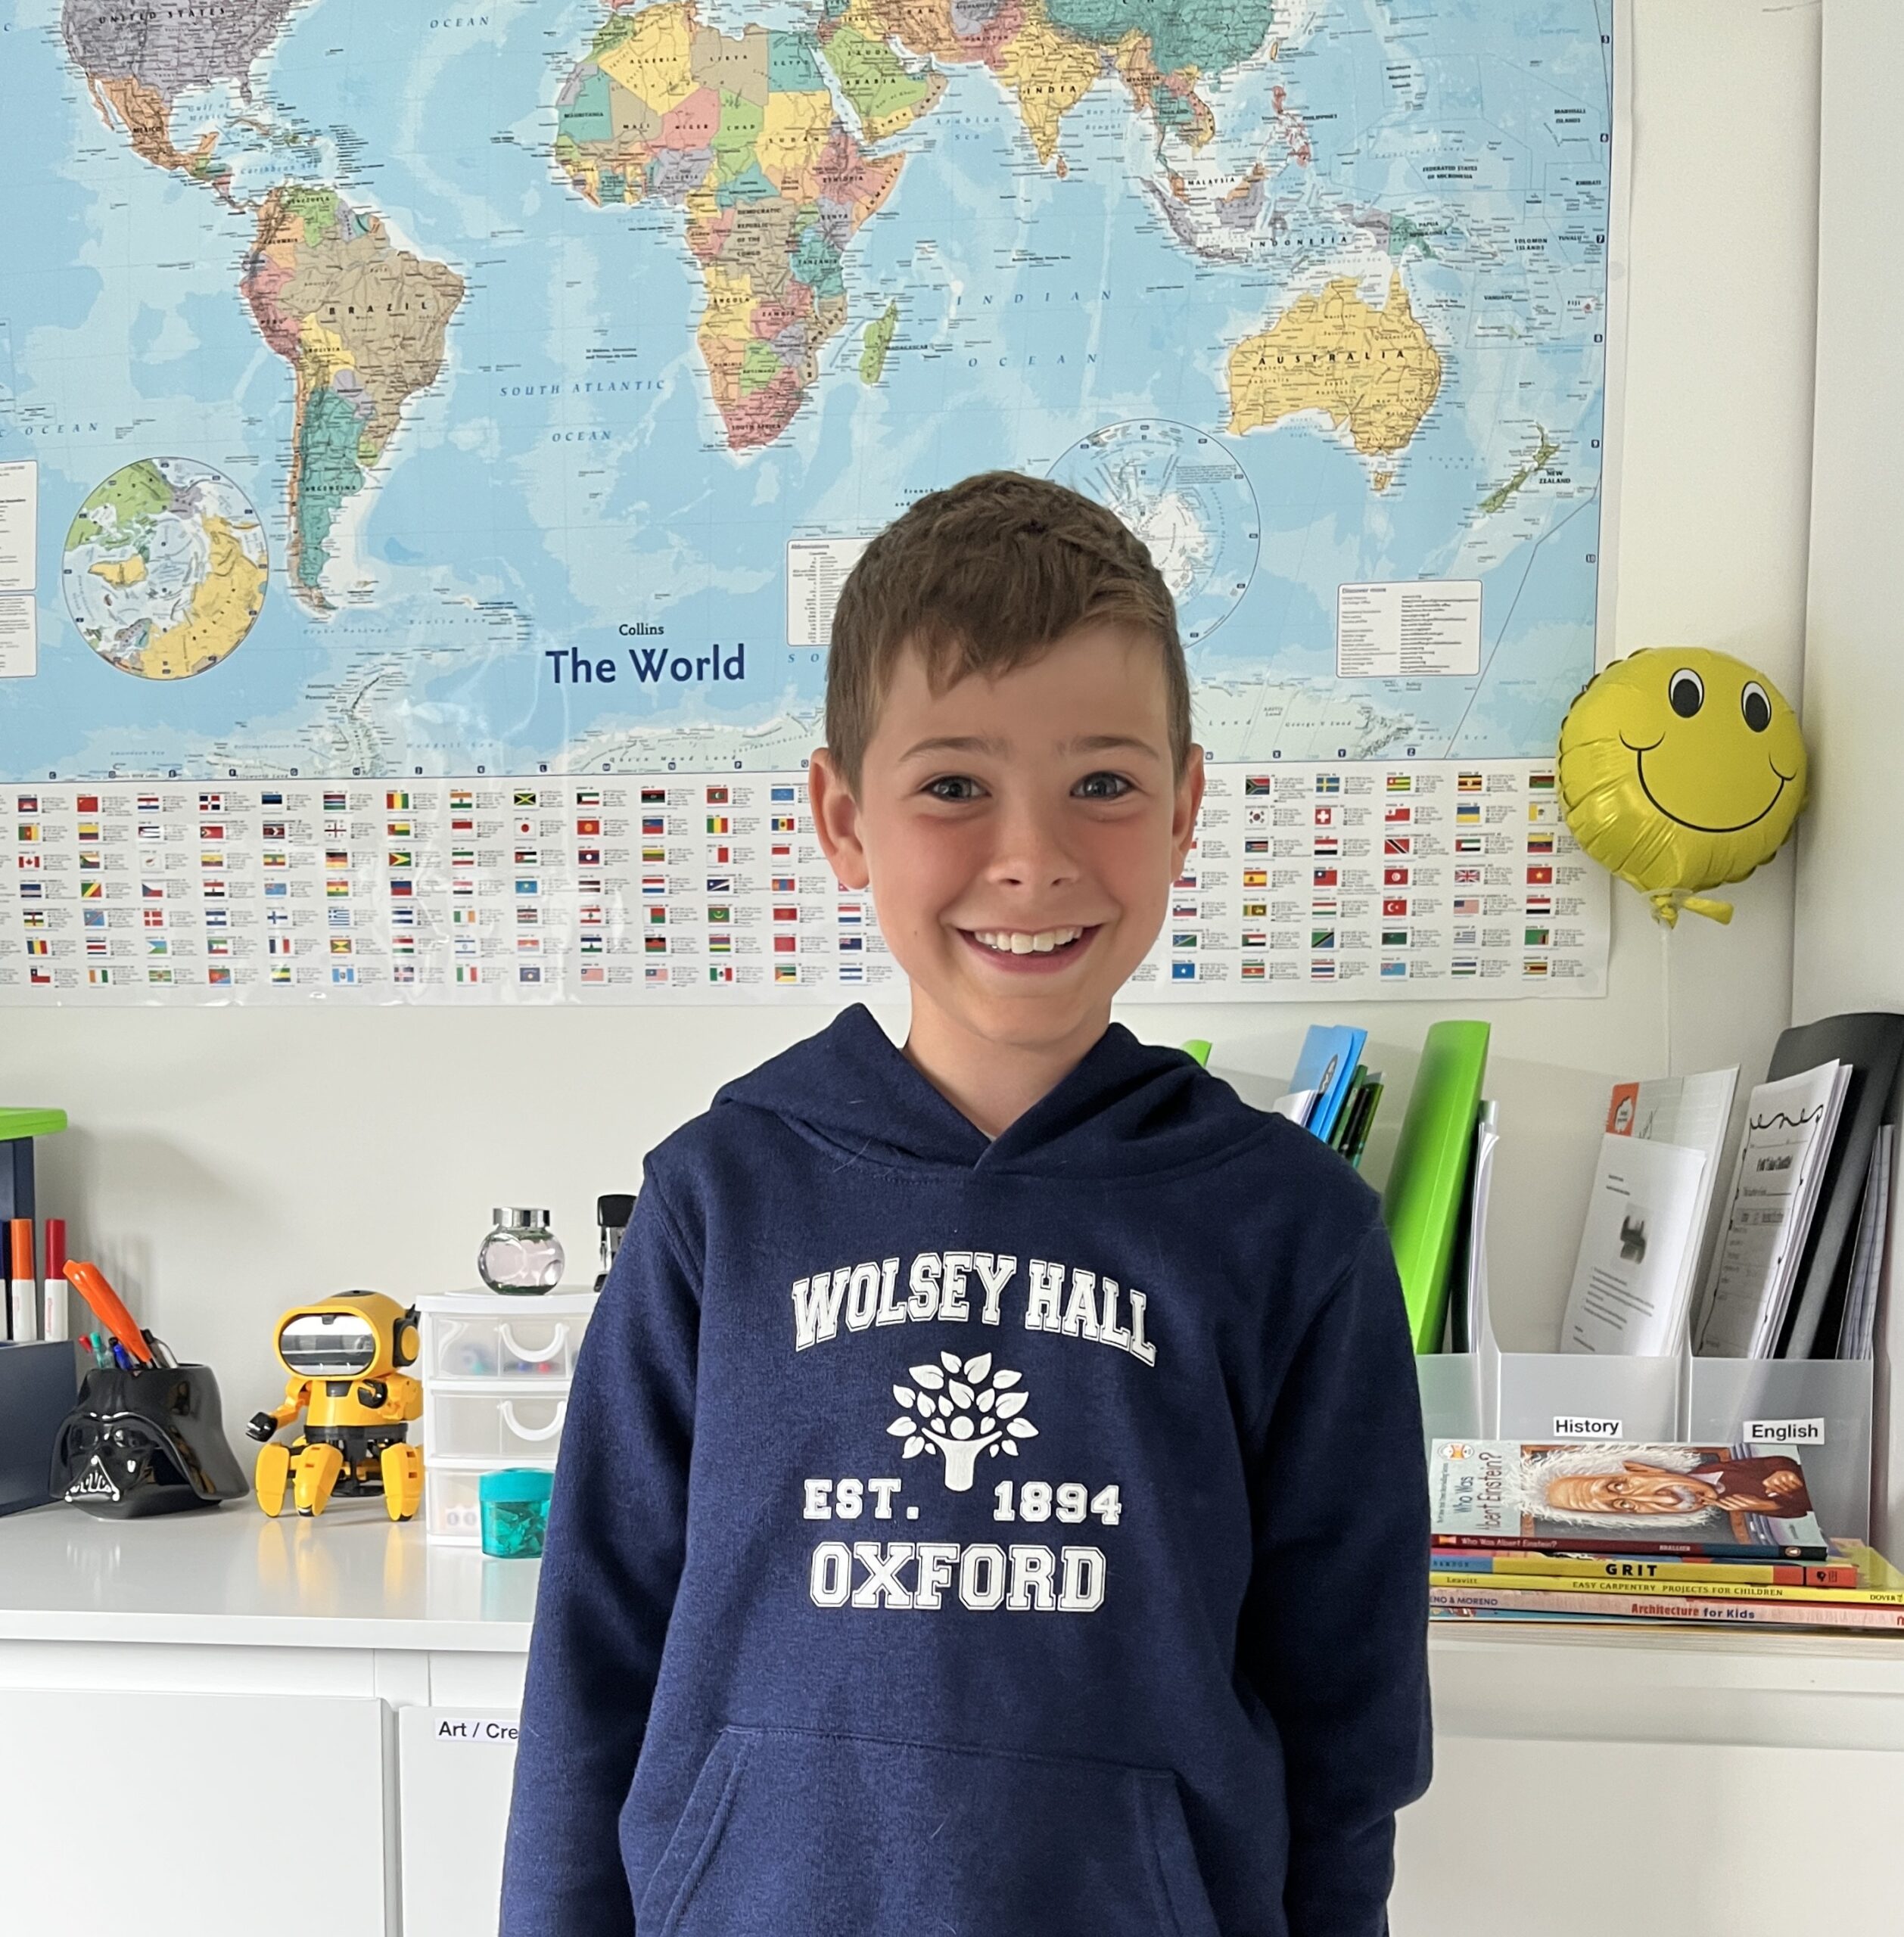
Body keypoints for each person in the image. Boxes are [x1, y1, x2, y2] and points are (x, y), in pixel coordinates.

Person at [499, 472, 1431, 1937]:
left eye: (1103, 783)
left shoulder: (1291, 1226)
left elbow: (1346, 1713)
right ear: (841, 815)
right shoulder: (717, 1198)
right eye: (952, 784)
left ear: (1185, 806)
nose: (1033, 856)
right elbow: (593, 1659)